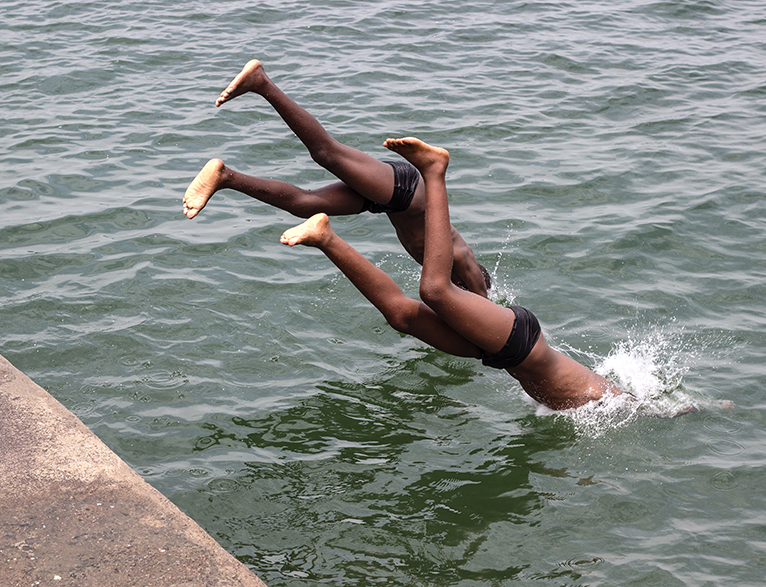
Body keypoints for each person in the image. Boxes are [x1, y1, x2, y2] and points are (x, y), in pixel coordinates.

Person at [280, 137, 624, 411]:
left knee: (403, 316)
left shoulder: (589, 400)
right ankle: (434, 170)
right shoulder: (613, 403)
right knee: (435, 290)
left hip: (498, 355)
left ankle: (325, 237)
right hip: (520, 345)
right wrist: (664, 410)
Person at [183, 59, 489, 296]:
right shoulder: (464, 267)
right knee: (326, 154)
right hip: (408, 193)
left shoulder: (447, 274)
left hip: (391, 203)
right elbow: (480, 300)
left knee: (304, 205)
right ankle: (261, 82)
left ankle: (225, 177)